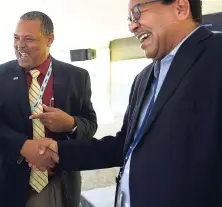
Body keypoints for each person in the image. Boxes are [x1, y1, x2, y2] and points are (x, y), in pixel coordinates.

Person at [33, 0, 222, 207]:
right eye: (130, 19)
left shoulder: (216, 55)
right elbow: (125, 145)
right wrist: (60, 151)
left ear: (180, 8)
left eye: (138, 12)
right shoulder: (144, 77)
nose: (132, 26)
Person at [0, 11, 97, 207]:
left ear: (50, 39)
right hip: (9, 178)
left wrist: (71, 124)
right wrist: (24, 147)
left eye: (29, 39)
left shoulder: (77, 77)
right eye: (16, 37)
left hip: (59, 179)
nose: (20, 45)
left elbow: (90, 123)